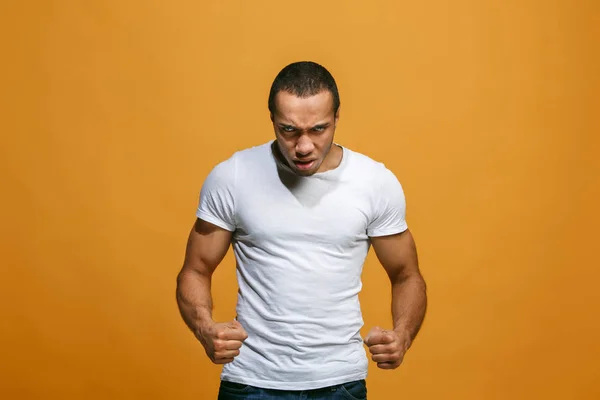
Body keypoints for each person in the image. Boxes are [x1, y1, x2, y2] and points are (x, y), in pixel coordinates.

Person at [176, 61, 427, 399]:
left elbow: (406, 274)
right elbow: (195, 269)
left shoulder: (375, 182)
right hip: (251, 381)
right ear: (273, 121)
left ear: (337, 118)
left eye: (319, 129)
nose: (304, 146)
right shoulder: (233, 177)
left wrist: (403, 335)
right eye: (289, 130)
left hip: (340, 381)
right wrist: (205, 327)